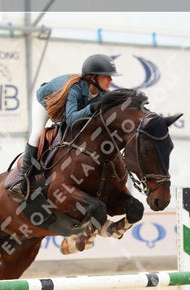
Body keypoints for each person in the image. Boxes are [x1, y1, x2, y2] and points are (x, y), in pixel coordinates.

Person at [8, 54, 121, 201]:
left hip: (66, 108)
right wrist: (93, 107)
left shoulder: (103, 93)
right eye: (107, 76)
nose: (111, 80)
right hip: (46, 102)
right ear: (93, 78)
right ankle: (22, 180)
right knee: (37, 133)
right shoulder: (75, 88)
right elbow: (71, 118)